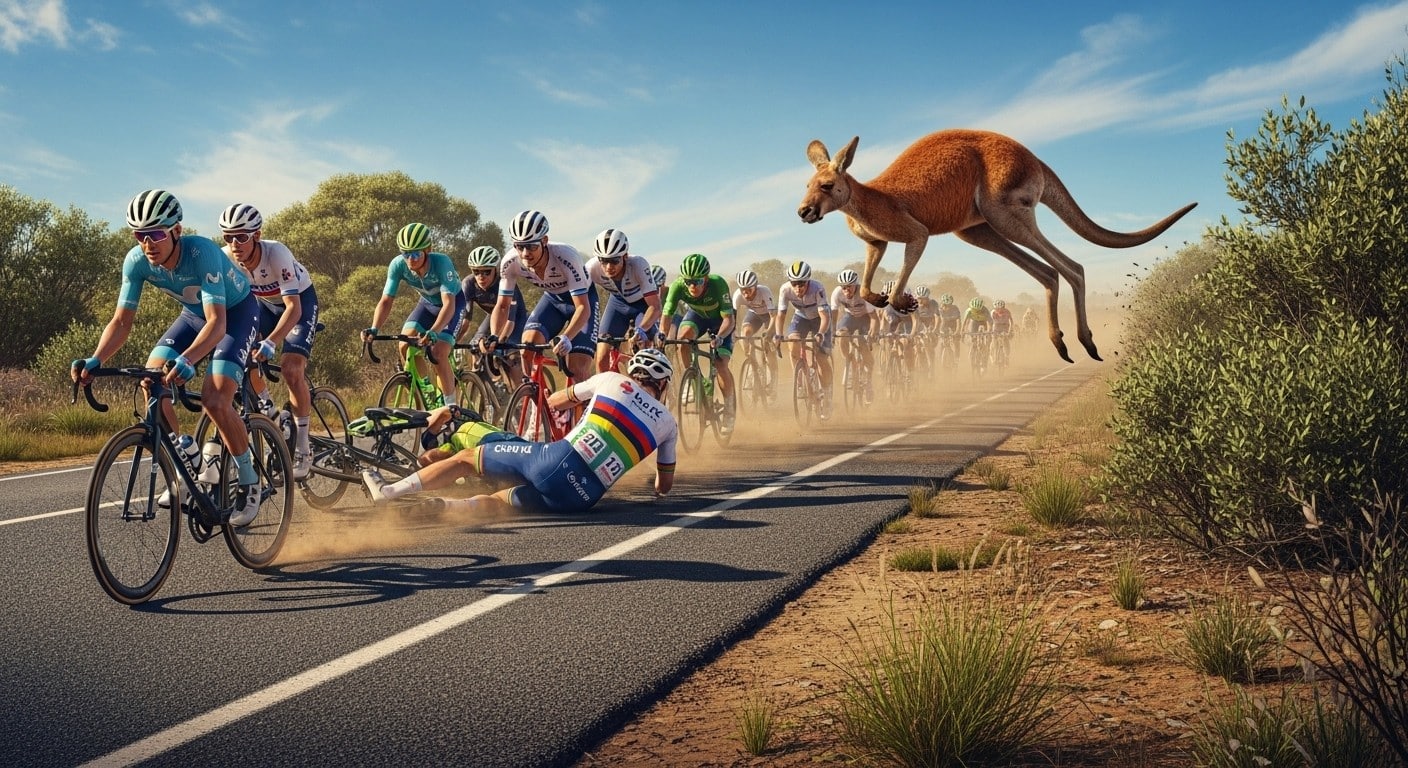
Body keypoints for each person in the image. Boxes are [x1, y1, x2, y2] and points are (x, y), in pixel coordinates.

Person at [71, 190, 264, 526]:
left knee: (216, 399)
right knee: (152, 378)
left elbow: (218, 324)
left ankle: (250, 482)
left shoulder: (201, 252)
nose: (149, 243)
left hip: (235, 314)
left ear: (176, 230)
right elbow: (120, 322)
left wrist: (188, 359)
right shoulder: (136, 262)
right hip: (194, 316)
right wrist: (95, 359)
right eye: (140, 235)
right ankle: (185, 461)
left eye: (157, 233)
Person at [362, 348, 678, 517]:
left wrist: (580, 400)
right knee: (499, 502)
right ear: (662, 384)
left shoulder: (612, 379)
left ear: (633, 373)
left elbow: (555, 402)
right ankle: (446, 508)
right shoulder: (669, 423)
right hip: (582, 499)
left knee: (465, 458)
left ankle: (388, 493)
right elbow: (663, 488)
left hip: (554, 461)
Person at [218, 203, 319, 480]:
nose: (235, 243)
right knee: (244, 359)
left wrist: (273, 342)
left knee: (291, 370)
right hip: (262, 306)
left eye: (242, 236)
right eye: (228, 237)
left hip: (298, 304)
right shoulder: (225, 258)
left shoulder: (277, 254)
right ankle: (271, 412)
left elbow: (293, 309)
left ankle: (302, 447)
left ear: (257, 235)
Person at [482, 210, 597, 385]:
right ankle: (536, 399)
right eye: (519, 246)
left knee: (577, 369)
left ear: (544, 241)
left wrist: (566, 337)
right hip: (553, 301)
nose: (525, 252)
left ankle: (585, 408)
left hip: (582, 302)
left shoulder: (566, 256)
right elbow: (503, 305)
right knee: (526, 348)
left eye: (532, 246)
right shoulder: (510, 262)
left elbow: (582, 307)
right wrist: (494, 336)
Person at [362, 223, 467, 407]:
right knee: (404, 344)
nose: (410, 259)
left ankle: (451, 408)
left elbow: (449, 305)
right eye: (406, 254)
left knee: (438, 352)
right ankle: (427, 392)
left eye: (416, 254)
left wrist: (434, 331)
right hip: (426, 305)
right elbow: (386, 301)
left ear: (427, 250)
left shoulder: (442, 263)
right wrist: (374, 328)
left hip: (452, 304)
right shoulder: (397, 265)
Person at [660, 253, 737, 433]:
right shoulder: (678, 286)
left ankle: (730, 407)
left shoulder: (718, 284)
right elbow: (667, 314)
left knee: (720, 364)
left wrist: (719, 336)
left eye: (697, 282)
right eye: (688, 281)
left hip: (721, 321)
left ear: (706, 279)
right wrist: (662, 334)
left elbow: (729, 320)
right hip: (698, 317)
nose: (692, 286)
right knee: (682, 339)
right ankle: (693, 381)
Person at [585, 228, 661, 372]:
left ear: (625, 256)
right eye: (604, 261)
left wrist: (642, 329)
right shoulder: (591, 268)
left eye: (614, 261)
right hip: (617, 304)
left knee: (642, 353)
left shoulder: (638, 265)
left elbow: (655, 307)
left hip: (642, 306)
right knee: (601, 358)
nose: (609, 267)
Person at [457, 245, 526, 389]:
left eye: (486, 271)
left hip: (515, 319)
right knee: (476, 346)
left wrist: (498, 341)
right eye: (476, 272)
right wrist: (454, 340)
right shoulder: (469, 284)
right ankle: (487, 389)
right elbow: (465, 319)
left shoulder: (505, 283)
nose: (481, 277)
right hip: (492, 317)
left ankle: (518, 393)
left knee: (510, 356)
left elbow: (510, 321)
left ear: (495, 269)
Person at [774, 260, 834, 419]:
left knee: (821, 357)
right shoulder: (785, 290)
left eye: (801, 284)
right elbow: (780, 316)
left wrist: (821, 333)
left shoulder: (817, 288)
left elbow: (824, 317)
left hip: (820, 320)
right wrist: (778, 334)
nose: (798, 288)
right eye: (794, 283)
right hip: (800, 317)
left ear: (808, 281)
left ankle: (827, 396)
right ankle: (800, 380)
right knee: (793, 343)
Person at [829, 268, 880, 404]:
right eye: (844, 288)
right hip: (850, 317)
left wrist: (873, 333)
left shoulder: (864, 293)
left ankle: (868, 380)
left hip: (866, 318)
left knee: (864, 346)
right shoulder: (837, 293)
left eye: (849, 287)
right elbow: (833, 315)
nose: (847, 291)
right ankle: (849, 362)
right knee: (842, 334)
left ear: (856, 285)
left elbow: (875, 318)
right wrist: (833, 331)